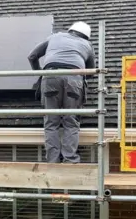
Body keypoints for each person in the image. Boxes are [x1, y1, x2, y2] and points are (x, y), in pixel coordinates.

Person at [27, 21, 96, 164]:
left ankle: (53, 161)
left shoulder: (55, 37)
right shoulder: (87, 45)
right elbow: (90, 72)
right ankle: (70, 160)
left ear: (71, 30)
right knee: (71, 122)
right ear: (86, 36)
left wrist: (40, 74)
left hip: (51, 77)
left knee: (51, 122)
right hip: (74, 79)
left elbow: (32, 56)